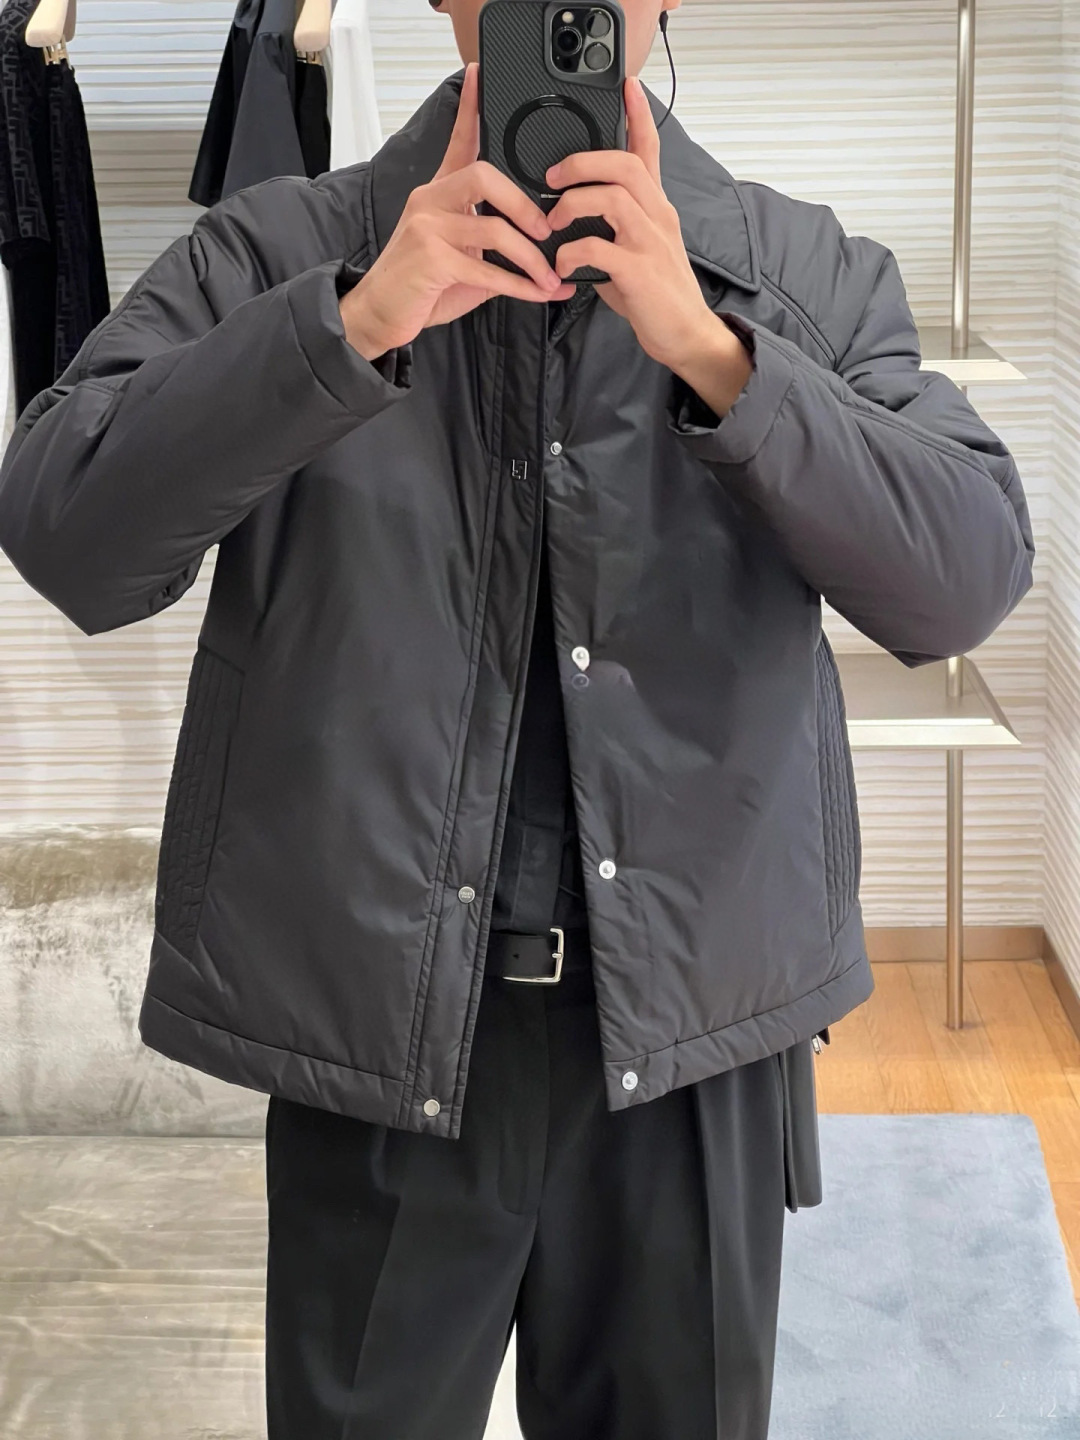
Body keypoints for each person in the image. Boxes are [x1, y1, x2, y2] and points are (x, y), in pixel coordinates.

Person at [0, 1, 1034, 1436]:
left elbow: (965, 579)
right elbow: (67, 530)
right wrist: (356, 323)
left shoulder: (798, 270)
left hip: (692, 1040)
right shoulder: (283, 251)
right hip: (379, 1036)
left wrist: (717, 351)